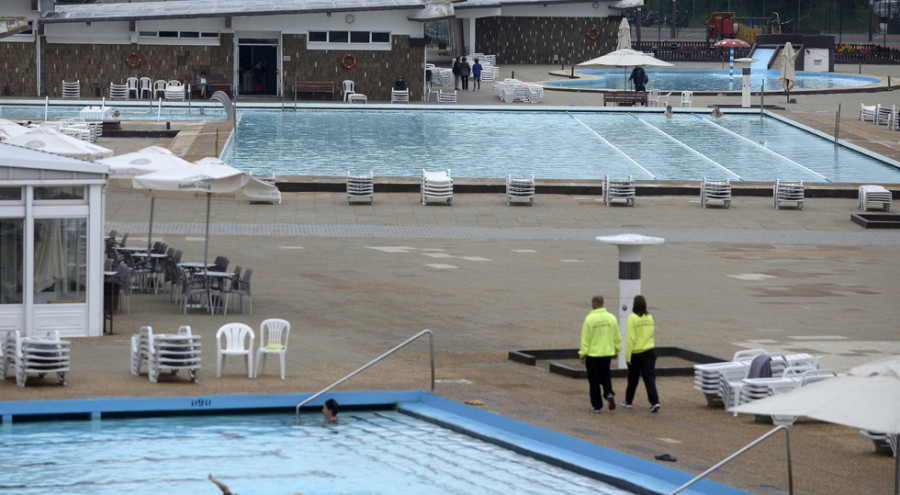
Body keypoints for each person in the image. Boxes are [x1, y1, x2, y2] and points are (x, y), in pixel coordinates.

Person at [578, 295, 621, 413]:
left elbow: (585, 339)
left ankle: (597, 405)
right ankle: (608, 393)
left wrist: (583, 354)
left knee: (594, 380)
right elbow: (617, 336)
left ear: (594, 304)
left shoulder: (589, 319)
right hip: (607, 353)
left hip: (593, 355)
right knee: (606, 375)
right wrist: (616, 350)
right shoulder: (611, 318)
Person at [622, 295, 660, 413]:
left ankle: (628, 401)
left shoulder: (632, 318)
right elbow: (651, 333)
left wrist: (627, 356)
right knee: (649, 378)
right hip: (649, 351)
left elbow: (630, 339)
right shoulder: (649, 317)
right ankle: (655, 402)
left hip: (636, 353)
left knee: (633, 378)